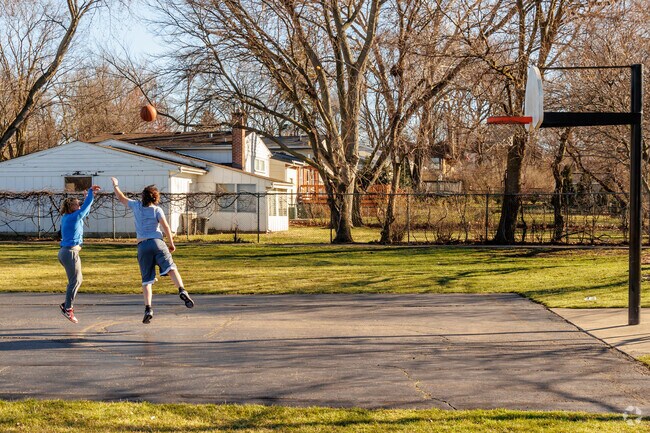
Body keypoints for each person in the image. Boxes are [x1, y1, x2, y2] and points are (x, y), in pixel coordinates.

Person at [110, 177, 194, 324]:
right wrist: (171, 243)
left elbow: (121, 198)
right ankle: (182, 290)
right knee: (171, 268)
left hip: (142, 246)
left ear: (142, 196)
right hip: (157, 243)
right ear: (155, 198)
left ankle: (148, 308)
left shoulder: (136, 206)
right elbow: (166, 227)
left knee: (147, 281)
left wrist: (116, 185)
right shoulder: (157, 209)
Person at [58, 185, 101, 323]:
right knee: (75, 281)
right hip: (69, 252)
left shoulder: (69, 217)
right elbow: (86, 207)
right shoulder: (73, 217)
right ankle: (68, 307)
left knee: (78, 280)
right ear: (71, 207)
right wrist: (89, 193)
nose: (80, 205)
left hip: (67, 252)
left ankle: (66, 304)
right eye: (77, 204)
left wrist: (89, 198)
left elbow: (86, 211)